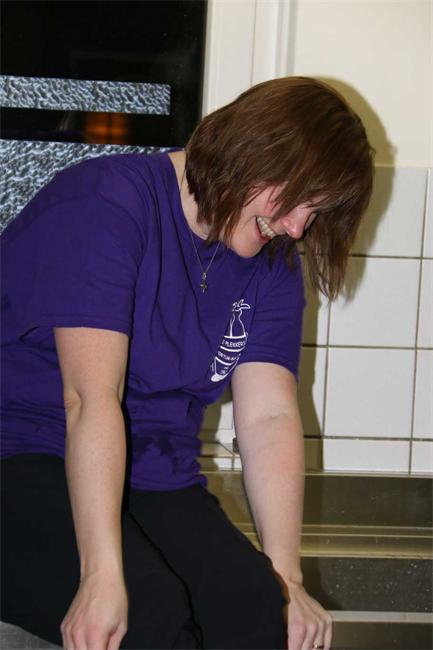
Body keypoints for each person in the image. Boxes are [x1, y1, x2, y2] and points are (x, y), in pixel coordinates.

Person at [1, 76, 374, 650]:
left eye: (315, 212)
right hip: (22, 455)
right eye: (298, 199)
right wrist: (100, 573)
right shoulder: (106, 204)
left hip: (152, 472)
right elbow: (90, 399)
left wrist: (287, 580)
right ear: (253, 151)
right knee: (148, 611)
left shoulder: (272, 262)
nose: (298, 227)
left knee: (255, 607)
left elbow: (270, 416)